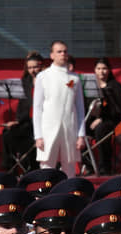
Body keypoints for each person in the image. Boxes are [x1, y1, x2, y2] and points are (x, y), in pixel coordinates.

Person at [33, 40, 86, 178]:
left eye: (65, 51)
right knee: (46, 166)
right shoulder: (43, 77)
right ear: (52, 55)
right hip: (48, 128)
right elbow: (37, 108)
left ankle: (68, 195)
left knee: (69, 165)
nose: (63, 54)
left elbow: (80, 108)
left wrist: (81, 135)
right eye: (59, 51)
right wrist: (38, 135)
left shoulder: (75, 78)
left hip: (69, 128)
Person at [1, 51, 44, 173]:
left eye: (35, 67)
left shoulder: (46, 80)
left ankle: (31, 165)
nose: (32, 70)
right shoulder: (25, 82)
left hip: (41, 122)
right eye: (30, 68)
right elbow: (23, 105)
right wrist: (17, 121)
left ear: (41, 66)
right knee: (7, 133)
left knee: (22, 137)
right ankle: (9, 165)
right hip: (27, 121)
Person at [84, 57, 121, 175]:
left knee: (101, 130)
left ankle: (105, 166)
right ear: (94, 70)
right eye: (98, 68)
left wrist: (101, 118)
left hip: (111, 120)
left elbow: (118, 109)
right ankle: (89, 165)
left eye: (104, 68)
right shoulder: (90, 86)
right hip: (92, 120)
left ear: (109, 70)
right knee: (78, 131)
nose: (101, 71)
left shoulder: (115, 86)